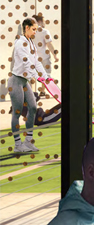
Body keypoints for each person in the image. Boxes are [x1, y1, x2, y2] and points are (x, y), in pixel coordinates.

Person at [12, 17, 48, 153]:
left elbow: (36, 62)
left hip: (25, 81)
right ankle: (17, 145)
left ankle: (28, 142)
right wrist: (37, 76)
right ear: (26, 28)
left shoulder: (31, 43)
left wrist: (45, 76)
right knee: (17, 111)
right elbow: (27, 63)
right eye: (33, 29)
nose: (35, 32)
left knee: (32, 108)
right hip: (16, 80)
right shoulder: (20, 43)